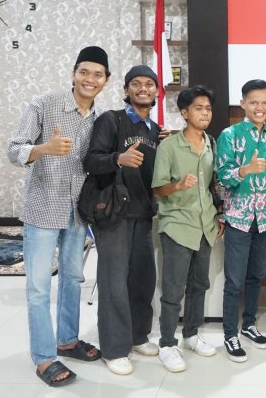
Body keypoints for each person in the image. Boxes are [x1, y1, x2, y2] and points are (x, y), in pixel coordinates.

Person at [7, 46, 108, 387]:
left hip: (78, 211)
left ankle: (67, 341)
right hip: (43, 207)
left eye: (97, 74)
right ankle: (43, 357)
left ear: (105, 81)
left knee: (73, 280)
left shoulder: (100, 118)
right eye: (84, 72)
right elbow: (14, 150)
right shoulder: (44, 104)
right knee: (38, 287)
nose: (90, 79)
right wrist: (42, 149)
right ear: (73, 74)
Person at [83, 64, 169, 376]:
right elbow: (90, 161)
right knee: (114, 282)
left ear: (157, 91)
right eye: (136, 83)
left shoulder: (155, 130)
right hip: (113, 214)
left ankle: (137, 336)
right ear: (126, 90)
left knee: (142, 279)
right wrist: (118, 158)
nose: (143, 88)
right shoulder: (112, 120)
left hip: (143, 213)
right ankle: (114, 349)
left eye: (149, 84)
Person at [151, 85, 223, 372]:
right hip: (177, 224)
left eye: (208, 108)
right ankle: (167, 344)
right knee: (173, 288)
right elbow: (158, 188)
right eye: (198, 108)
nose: (205, 113)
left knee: (199, 284)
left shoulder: (211, 143)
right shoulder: (169, 146)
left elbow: (214, 185)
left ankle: (191, 335)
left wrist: (218, 216)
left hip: (206, 224)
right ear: (184, 113)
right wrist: (178, 185)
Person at [216, 79, 266, 362]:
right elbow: (222, 177)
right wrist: (244, 170)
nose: (259, 107)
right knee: (234, 281)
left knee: (256, 275)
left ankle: (249, 325)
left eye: (264, 102)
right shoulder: (229, 135)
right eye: (253, 102)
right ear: (243, 103)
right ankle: (229, 334)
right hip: (239, 217)